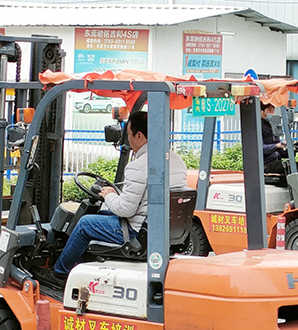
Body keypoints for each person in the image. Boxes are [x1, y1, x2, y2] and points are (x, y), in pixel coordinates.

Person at [34, 110, 188, 289]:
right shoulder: (176, 160)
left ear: (139, 135)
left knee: (85, 223)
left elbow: (126, 210)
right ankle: (81, 265)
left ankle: (58, 273)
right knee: (103, 214)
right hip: (158, 229)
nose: (128, 140)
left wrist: (109, 195)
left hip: (136, 234)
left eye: (129, 134)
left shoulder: (139, 166)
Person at [261, 102, 288, 175]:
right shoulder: (257, 126)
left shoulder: (273, 126)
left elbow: (280, 151)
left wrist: (291, 150)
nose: (272, 112)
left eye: (273, 110)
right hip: (265, 163)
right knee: (291, 168)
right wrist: (276, 146)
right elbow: (260, 149)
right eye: (269, 110)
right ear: (261, 112)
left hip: (275, 161)